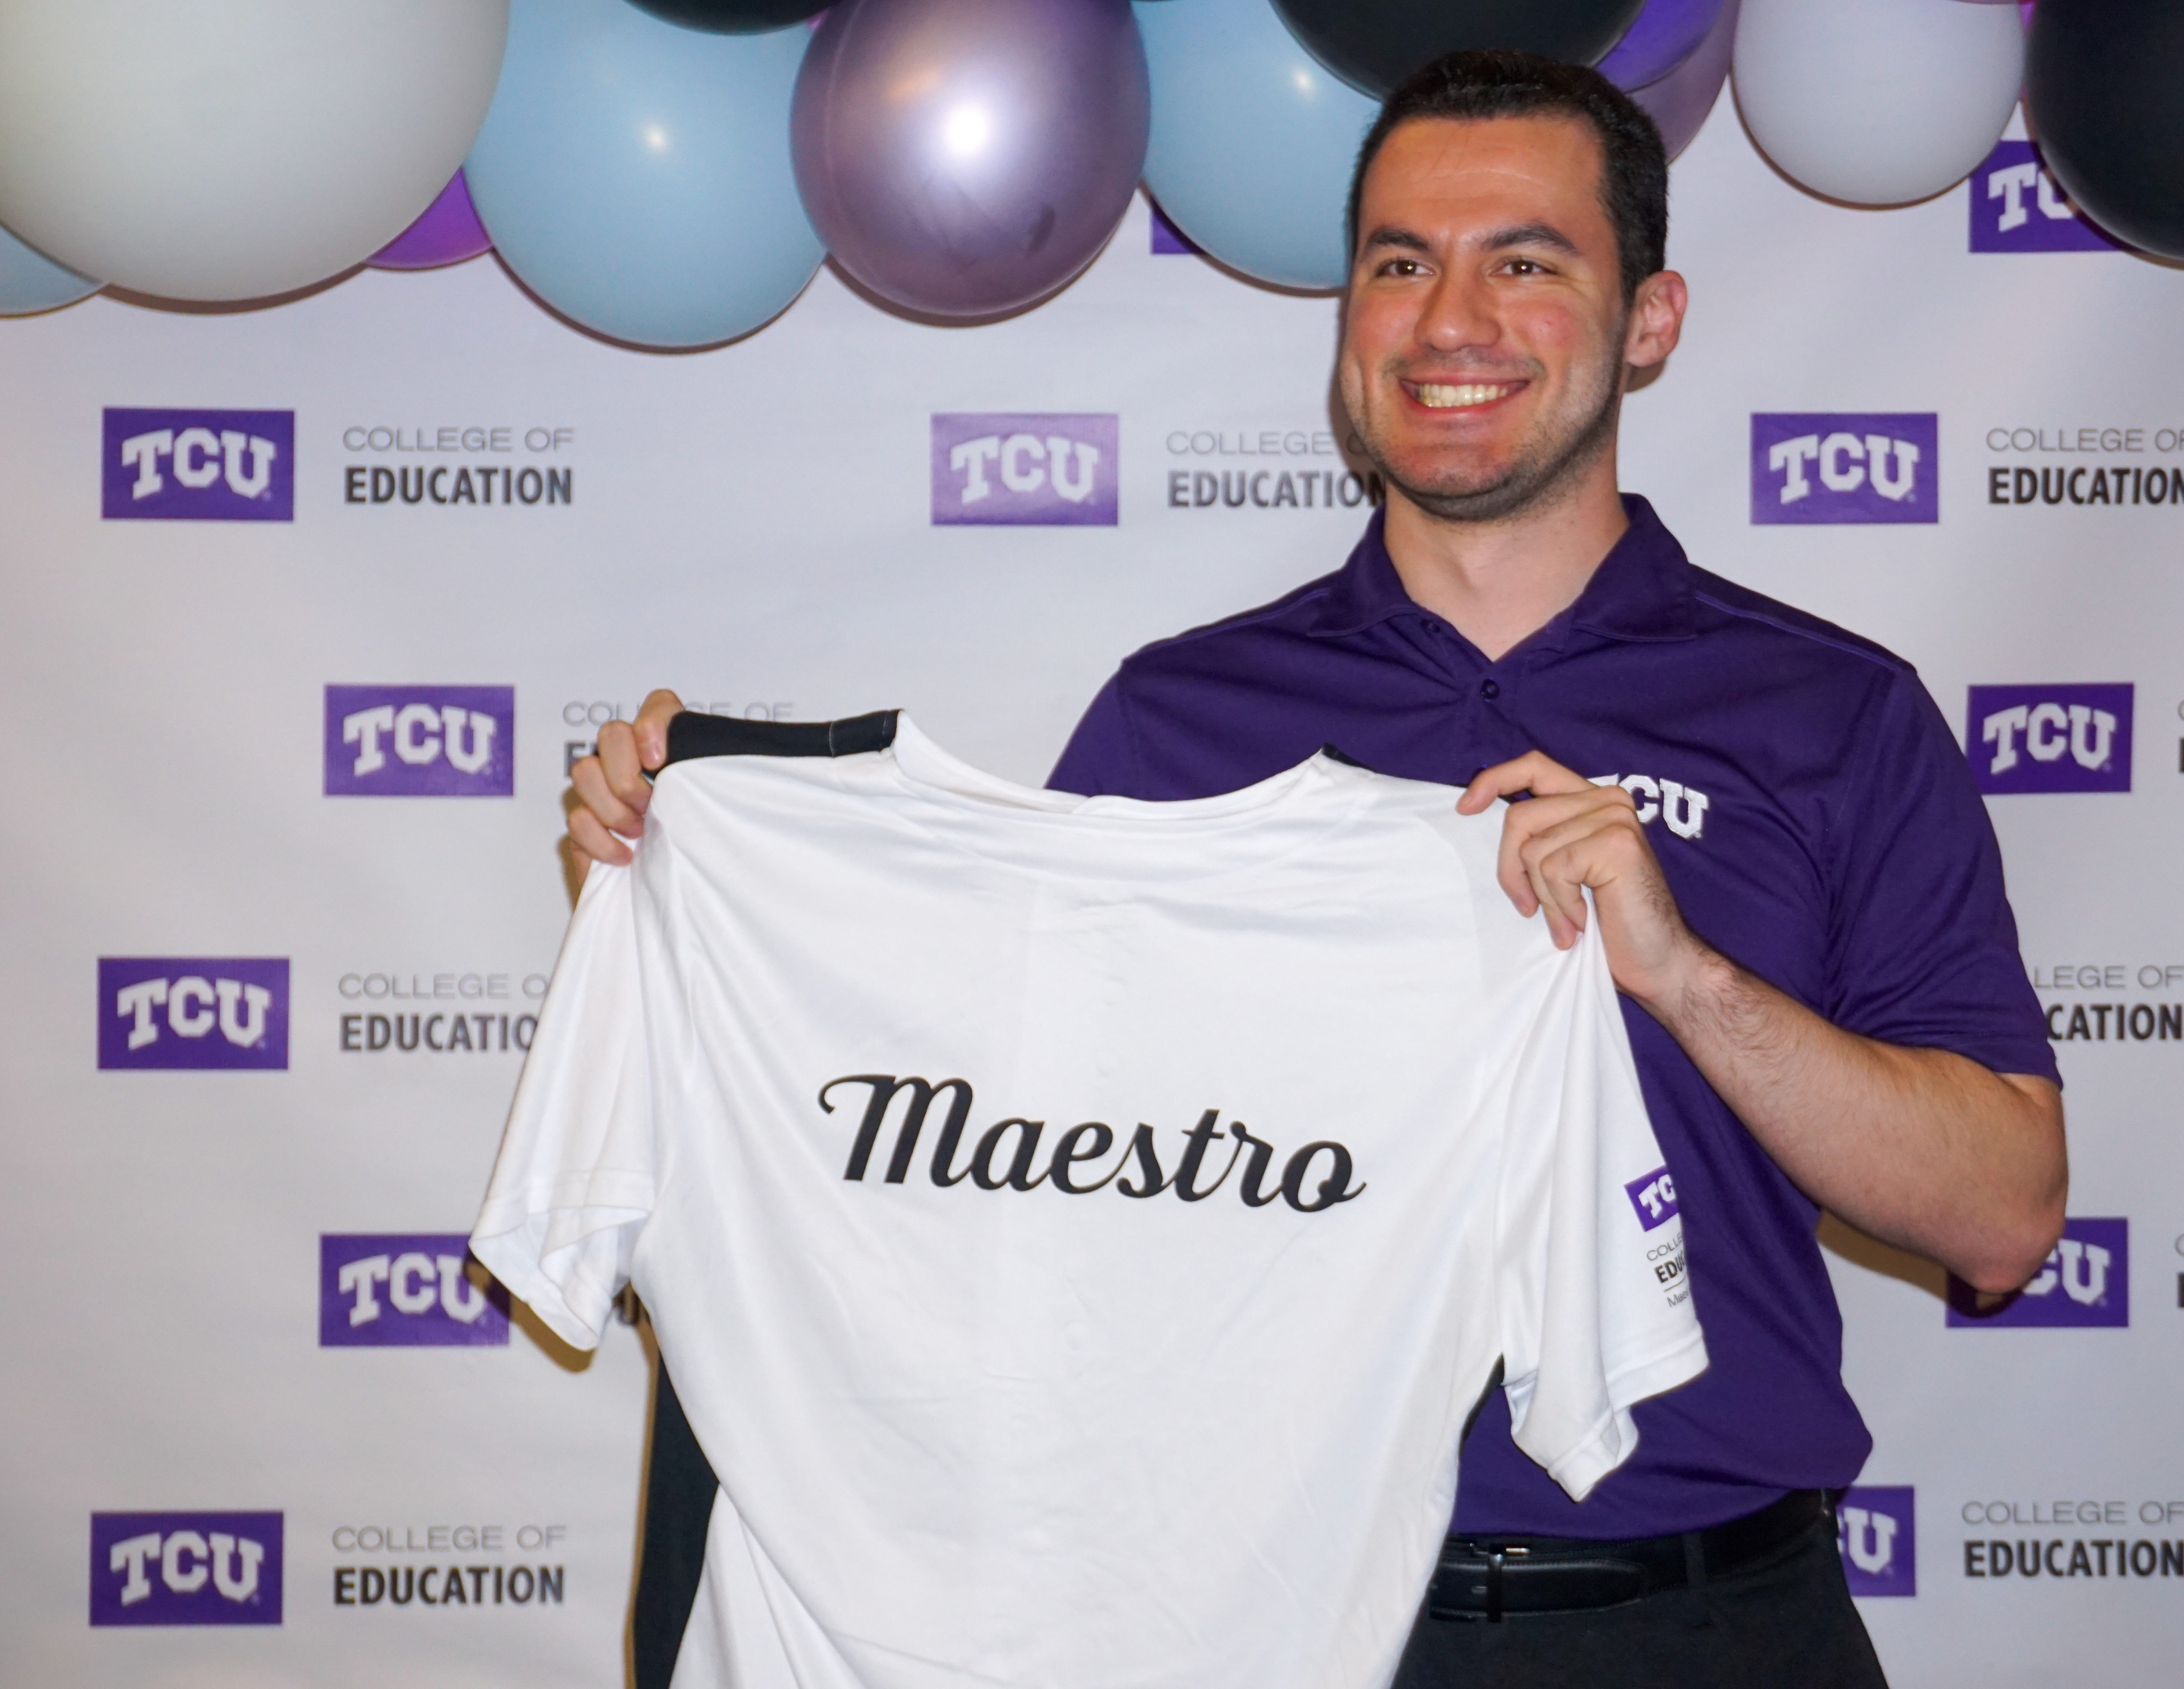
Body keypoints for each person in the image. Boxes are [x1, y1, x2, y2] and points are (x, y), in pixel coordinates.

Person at [565, 49, 2065, 1689]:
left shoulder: (1832, 714)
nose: (1451, 320)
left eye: (1527, 262)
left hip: (1704, 1621)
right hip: (1265, 1628)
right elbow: (1005, 1178)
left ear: (1651, 320)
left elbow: (2002, 1218)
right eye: (1400, 263)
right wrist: (698, 918)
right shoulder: (1183, 718)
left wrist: (1687, 978)